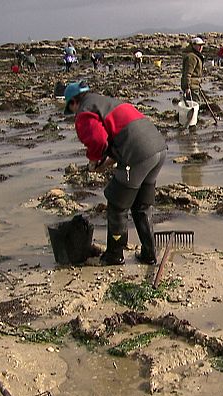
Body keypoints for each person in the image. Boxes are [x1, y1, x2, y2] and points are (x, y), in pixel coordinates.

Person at [63, 81, 167, 266]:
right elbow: (120, 139)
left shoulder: (85, 112)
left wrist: (94, 160)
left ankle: (114, 255)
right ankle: (149, 254)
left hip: (137, 154)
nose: (73, 114)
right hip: (158, 149)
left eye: (70, 109)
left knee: (117, 204)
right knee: (142, 205)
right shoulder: (107, 103)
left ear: (73, 102)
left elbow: (97, 140)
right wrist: (104, 164)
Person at [181, 37, 205, 101]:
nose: (201, 47)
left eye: (202, 45)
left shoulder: (196, 56)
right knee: (194, 104)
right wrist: (187, 87)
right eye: (199, 45)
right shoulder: (192, 57)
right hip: (192, 86)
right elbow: (188, 73)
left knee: (194, 103)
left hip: (195, 85)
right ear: (193, 45)